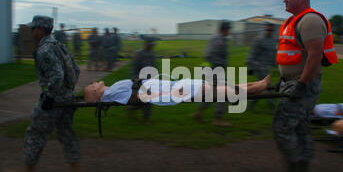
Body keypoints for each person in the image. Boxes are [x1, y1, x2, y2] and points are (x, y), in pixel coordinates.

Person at [270, 0, 338, 172]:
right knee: (300, 127)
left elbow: (315, 55)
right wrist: (283, 80)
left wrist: (301, 84)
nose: (284, 0)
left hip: (303, 83)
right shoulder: (293, 21)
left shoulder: (310, 20)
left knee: (282, 127)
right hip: (292, 81)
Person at [2, 15, 83, 172]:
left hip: (54, 99)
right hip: (67, 96)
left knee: (36, 132)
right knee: (65, 132)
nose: (31, 31)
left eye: (33, 28)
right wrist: (68, 90)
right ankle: (75, 171)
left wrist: (50, 96)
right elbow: (75, 69)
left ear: (40, 29)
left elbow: (57, 74)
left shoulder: (45, 49)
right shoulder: (59, 46)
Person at [83, 74, 271, 105]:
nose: (95, 83)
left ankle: (254, 86)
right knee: (213, 90)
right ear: (96, 94)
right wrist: (171, 94)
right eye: (92, 86)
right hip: (172, 91)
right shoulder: (112, 93)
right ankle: (254, 88)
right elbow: (139, 98)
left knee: (214, 88)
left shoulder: (111, 90)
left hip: (171, 87)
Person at [192, 21, 232, 127]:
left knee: (212, 94)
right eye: (228, 29)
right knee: (224, 93)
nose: (229, 31)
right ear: (224, 29)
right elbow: (209, 55)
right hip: (214, 70)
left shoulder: (220, 39)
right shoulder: (217, 39)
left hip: (214, 70)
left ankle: (198, 112)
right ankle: (218, 119)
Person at [247, 23, 278, 111]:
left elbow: (273, 54)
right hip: (259, 67)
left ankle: (251, 104)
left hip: (267, 67)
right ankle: (272, 107)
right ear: (264, 30)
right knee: (268, 86)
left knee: (260, 88)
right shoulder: (258, 40)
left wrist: (276, 65)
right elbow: (252, 55)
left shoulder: (273, 40)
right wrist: (251, 67)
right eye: (268, 30)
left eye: (271, 30)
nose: (270, 32)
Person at [130, 36, 158, 122]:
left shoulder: (152, 54)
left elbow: (154, 68)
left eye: (153, 45)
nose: (152, 46)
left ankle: (133, 108)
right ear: (146, 44)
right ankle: (145, 119)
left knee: (146, 99)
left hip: (150, 81)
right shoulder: (138, 54)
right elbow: (134, 69)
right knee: (147, 99)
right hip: (139, 80)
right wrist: (137, 80)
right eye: (150, 44)